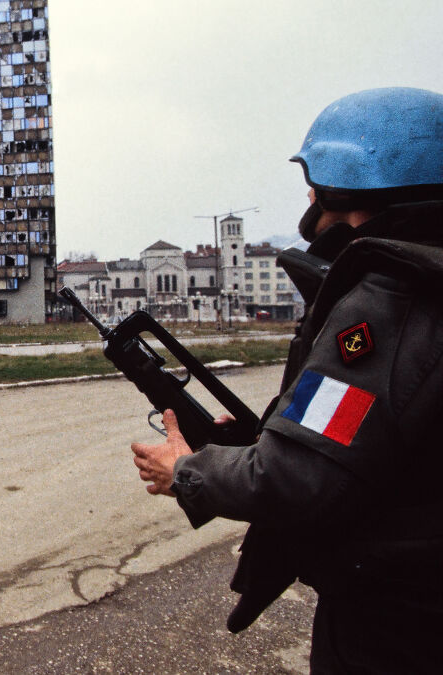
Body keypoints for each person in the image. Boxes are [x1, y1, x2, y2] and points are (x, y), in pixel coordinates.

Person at [130, 87, 443, 670]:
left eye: (317, 181)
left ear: (353, 184)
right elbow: (374, 439)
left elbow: (299, 476)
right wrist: (255, 440)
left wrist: (186, 471)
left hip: (396, 619)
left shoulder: (389, 302)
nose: (308, 200)